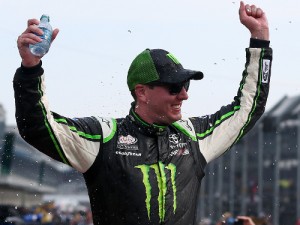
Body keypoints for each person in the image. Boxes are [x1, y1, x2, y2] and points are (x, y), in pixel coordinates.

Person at [14, 1, 272, 225]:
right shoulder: (105, 137)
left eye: (185, 85)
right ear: (142, 93)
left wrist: (260, 39)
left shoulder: (193, 137)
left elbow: (248, 108)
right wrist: (30, 67)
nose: (184, 95)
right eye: (174, 87)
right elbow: (37, 126)